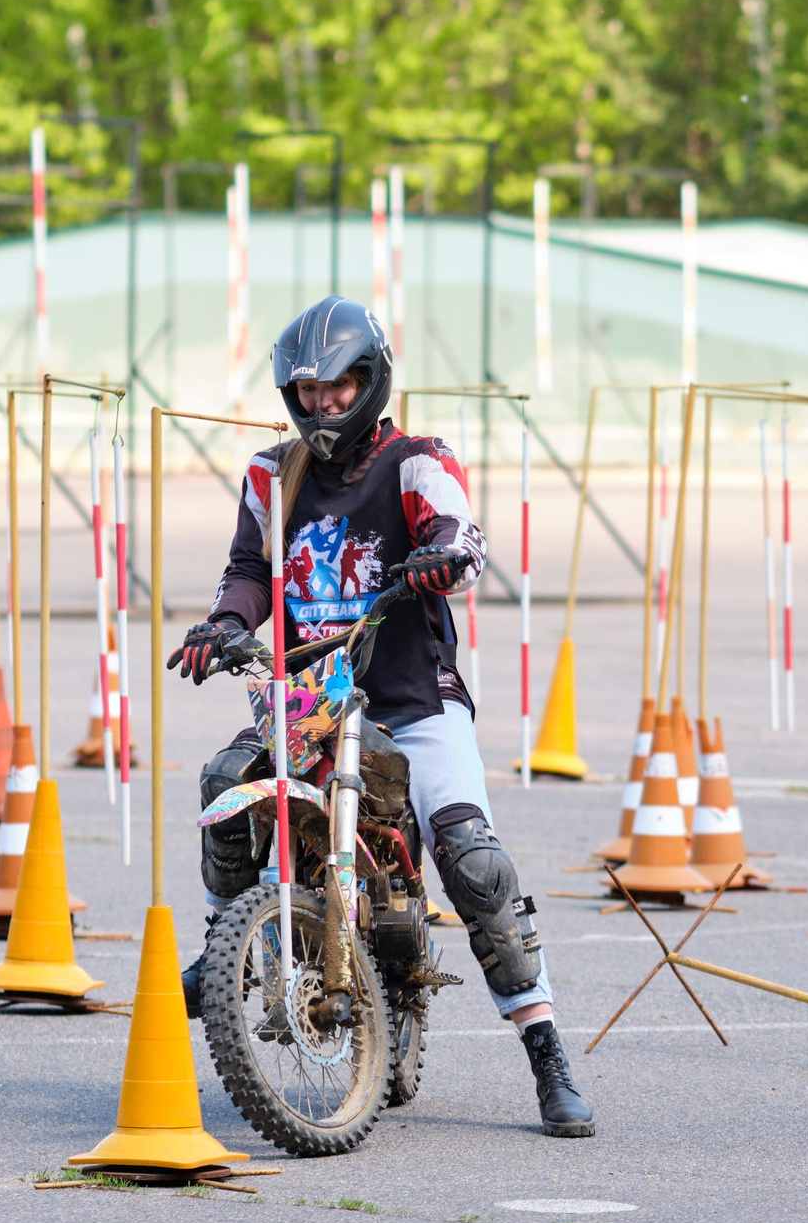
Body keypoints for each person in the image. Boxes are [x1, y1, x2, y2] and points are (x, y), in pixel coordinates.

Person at [166, 294, 595, 1138]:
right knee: (226, 784)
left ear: (371, 378)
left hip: (411, 699)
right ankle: (231, 943)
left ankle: (546, 1050)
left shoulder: (414, 460)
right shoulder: (270, 472)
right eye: (309, 389)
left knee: (475, 861)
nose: (324, 401)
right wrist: (224, 624)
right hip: (306, 697)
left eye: (339, 384)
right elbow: (249, 569)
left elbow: (460, 531)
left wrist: (443, 556)